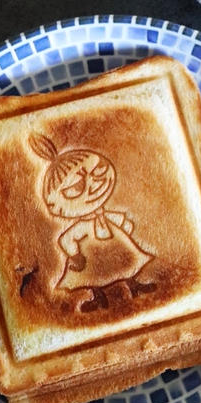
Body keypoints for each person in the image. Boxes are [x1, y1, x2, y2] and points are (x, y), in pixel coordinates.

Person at [29, 133, 156, 312]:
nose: (92, 185)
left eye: (98, 172)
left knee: (128, 263)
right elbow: (66, 239)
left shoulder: (105, 216)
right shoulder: (82, 227)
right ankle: (98, 297)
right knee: (94, 276)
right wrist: (75, 256)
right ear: (57, 207)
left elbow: (120, 220)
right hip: (91, 254)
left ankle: (134, 285)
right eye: (76, 187)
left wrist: (124, 228)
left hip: (116, 244)